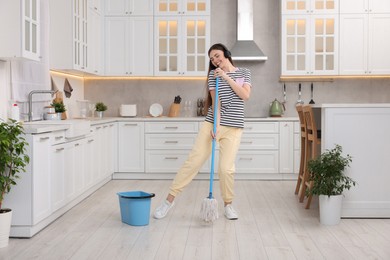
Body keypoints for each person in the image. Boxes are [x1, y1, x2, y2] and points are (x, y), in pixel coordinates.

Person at [153, 43, 252, 220]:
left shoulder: (244, 72)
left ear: (226, 54)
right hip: (214, 123)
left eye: (216, 55)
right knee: (193, 162)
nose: (214, 60)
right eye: (212, 59)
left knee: (226, 169)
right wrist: (216, 125)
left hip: (234, 127)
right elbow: (216, 104)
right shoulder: (213, 76)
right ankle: (168, 201)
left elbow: (245, 95)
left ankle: (228, 205)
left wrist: (226, 77)